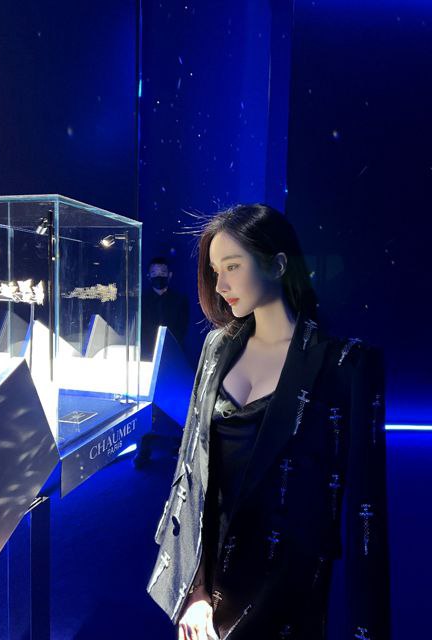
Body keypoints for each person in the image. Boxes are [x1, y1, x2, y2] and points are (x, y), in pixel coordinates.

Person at [146, 204, 390, 640]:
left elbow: (365, 516)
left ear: (277, 265)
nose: (220, 286)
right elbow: (192, 472)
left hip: (288, 596)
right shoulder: (217, 348)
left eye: (232, 267)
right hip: (208, 592)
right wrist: (193, 590)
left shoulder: (346, 365)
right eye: (215, 271)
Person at [141, 256, 190, 361]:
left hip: (173, 355)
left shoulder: (179, 300)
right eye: (154, 273)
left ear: (169, 275)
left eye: (162, 273)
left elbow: (183, 330)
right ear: (148, 276)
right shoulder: (141, 301)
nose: (158, 276)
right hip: (145, 355)